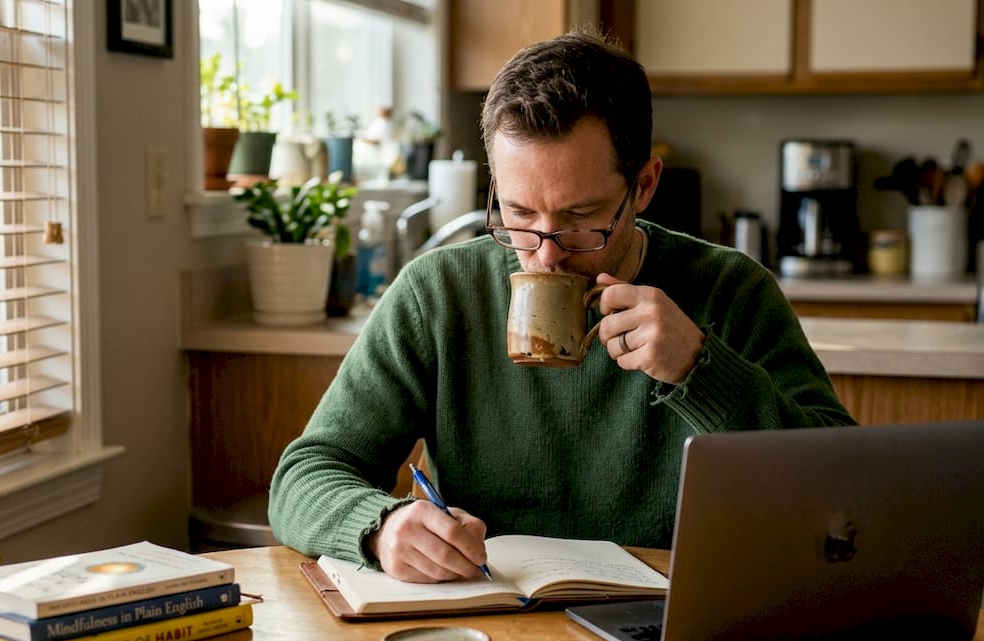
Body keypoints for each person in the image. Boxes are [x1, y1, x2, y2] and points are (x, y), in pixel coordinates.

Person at [268, 31, 855, 583]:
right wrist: (381, 527)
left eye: (579, 218)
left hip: (674, 622)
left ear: (644, 186)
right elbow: (304, 476)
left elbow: (841, 495)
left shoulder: (731, 291)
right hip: (492, 626)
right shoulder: (439, 293)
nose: (545, 257)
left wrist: (700, 369)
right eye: (519, 215)